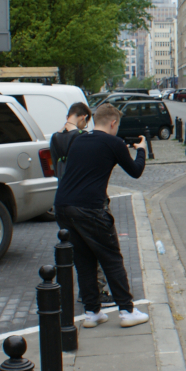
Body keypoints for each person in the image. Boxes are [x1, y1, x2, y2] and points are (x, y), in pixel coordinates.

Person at [55, 103, 149, 328]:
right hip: (90, 209)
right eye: (118, 125)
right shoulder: (113, 142)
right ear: (113, 122)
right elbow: (135, 171)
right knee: (111, 258)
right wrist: (142, 149)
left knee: (84, 261)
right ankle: (127, 311)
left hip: (63, 207)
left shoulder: (78, 140)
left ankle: (92, 312)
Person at [50, 102, 112, 304]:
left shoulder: (55, 137)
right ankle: (98, 290)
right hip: (86, 199)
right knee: (98, 247)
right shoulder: (80, 137)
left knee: (79, 252)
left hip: (63, 198)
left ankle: (85, 292)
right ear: (83, 117)